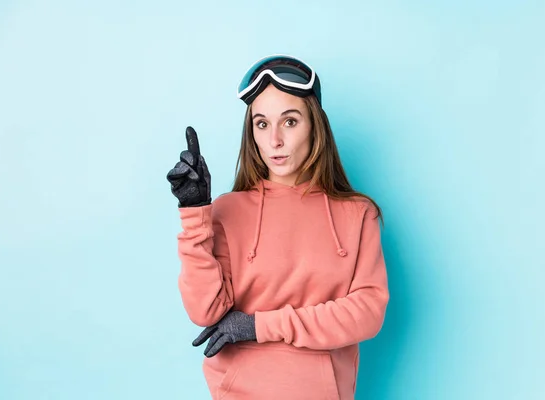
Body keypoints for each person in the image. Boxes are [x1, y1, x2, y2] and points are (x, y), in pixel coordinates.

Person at [166, 54, 389, 400]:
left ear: (315, 125)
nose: (275, 142)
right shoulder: (229, 209)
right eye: (262, 124)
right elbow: (205, 311)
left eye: (289, 121)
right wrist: (194, 212)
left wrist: (259, 326)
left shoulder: (358, 214)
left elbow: (367, 313)